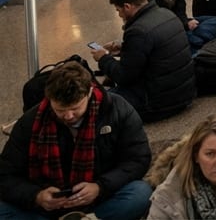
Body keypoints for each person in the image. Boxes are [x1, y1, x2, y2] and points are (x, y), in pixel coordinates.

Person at [0, 62, 152, 219]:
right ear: (49, 98)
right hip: (47, 208)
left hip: (99, 200)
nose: (68, 116)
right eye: (60, 110)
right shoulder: (30, 121)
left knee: (141, 193)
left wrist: (100, 187)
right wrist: (36, 196)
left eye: (75, 108)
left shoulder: (118, 110)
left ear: (89, 92)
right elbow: (5, 175)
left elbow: (138, 159)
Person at [90, 0, 196, 123]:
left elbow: (123, 76)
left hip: (157, 104)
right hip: (185, 94)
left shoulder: (138, 31)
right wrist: (124, 48)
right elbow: (158, 50)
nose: (120, 15)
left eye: (118, 10)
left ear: (127, 6)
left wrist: (103, 58)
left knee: (98, 102)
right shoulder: (167, 14)